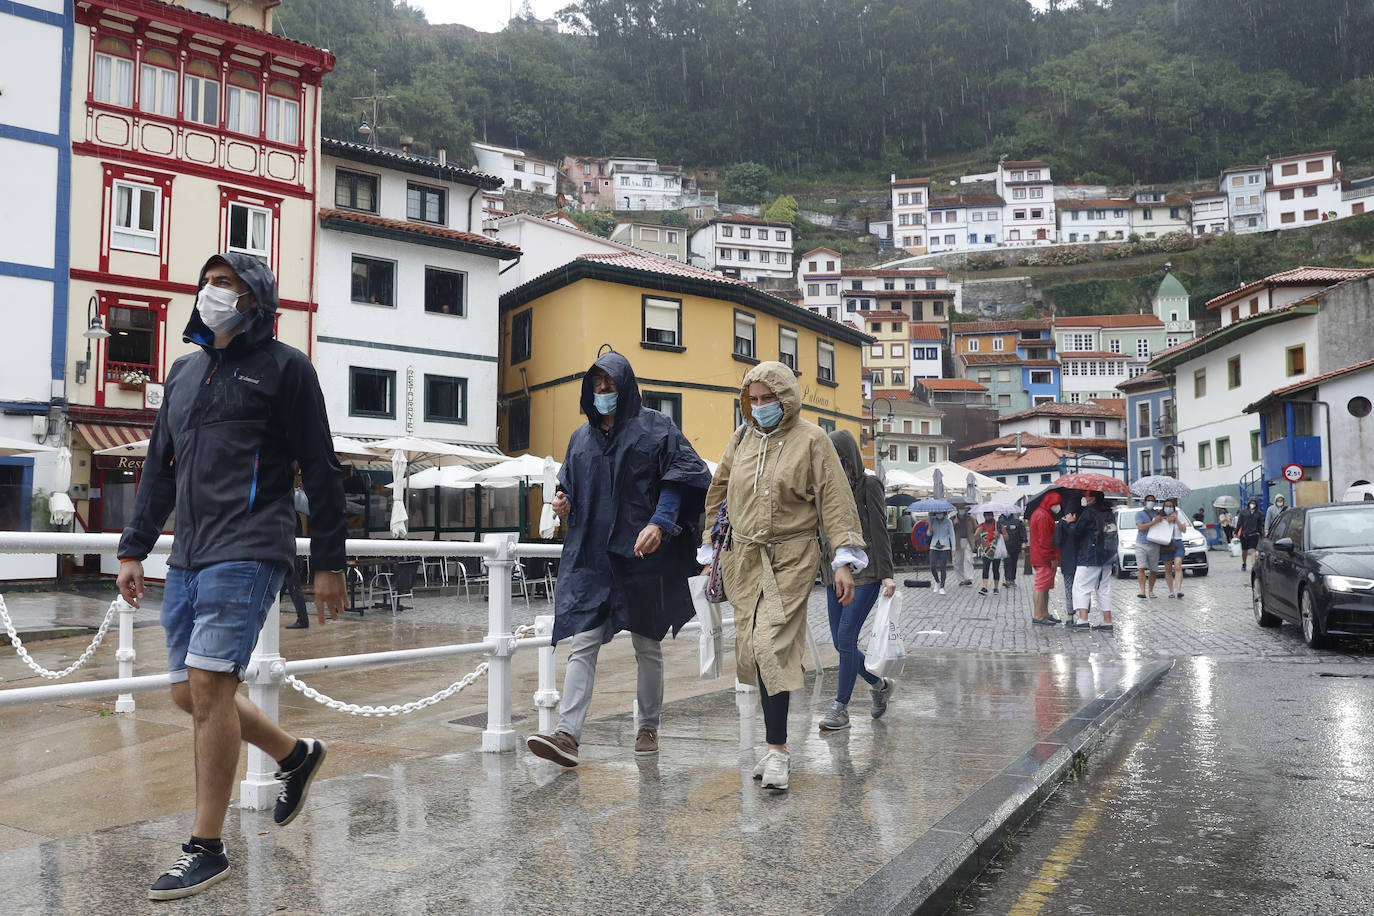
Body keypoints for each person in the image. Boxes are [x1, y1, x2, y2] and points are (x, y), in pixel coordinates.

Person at [116, 253, 347, 901]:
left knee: (211, 688)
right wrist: (134, 549)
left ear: (256, 300)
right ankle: (296, 755)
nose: (212, 292)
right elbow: (159, 469)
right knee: (187, 694)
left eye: (228, 284)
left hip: (249, 546)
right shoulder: (183, 374)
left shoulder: (286, 368)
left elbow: (320, 466)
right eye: (209, 282)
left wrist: (329, 560)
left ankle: (206, 847)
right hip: (188, 554)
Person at [527, 352, 711, 769]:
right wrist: (564, 503)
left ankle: (648, 727)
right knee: (583, 641)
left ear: (625, 386)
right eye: (597, 386)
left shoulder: (657, 428)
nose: (603, 391)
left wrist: (660, 523)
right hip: (594, 559)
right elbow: (570, 488)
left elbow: (680, 478)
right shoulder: (580, 439)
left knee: (647, 645)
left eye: (609, 385)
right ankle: (567, 735)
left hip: (642, 556)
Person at [702, 362, 867, 791]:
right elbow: (718, 490)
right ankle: (773, 744)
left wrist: (843, 560)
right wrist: (711, 545)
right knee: (752, 651)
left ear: (786, 398)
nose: (760, 407)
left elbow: (835, 499)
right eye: (753, 400)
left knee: (770, 645)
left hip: (792, 558)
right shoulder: (741, 439)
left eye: (767, 399)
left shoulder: (812, 440)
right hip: (744, 559)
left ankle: (778, 751)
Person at [817, 430, 896, 732]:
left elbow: (879, 529)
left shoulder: (869, 485)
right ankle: (880, 685)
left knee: (847, 638)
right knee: (840, 643)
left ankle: (841, 707)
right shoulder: (826, 488)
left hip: (866, 572)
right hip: (833, 573)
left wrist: (887, 574)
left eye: (837, 457)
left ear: (848, 456)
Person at [1066, 490, 1117, 630]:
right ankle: (1107, 620)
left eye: (1087, 496)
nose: (1085, 498)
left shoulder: (1089, 513)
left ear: (1093, 499)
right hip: (1107, 556)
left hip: (1089, 555)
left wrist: (1071, 523)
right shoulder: (1109, 513)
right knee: (1103, 588)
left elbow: (1077, 532)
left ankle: (1083, 619)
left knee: (1081, 587)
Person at [1028, 492, 1063, 625]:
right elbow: (1045, 540)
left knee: (1044, 586)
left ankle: (1044, 613)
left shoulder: (1042, 513)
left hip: (1041, 556)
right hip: (1043, 557)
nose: (1058, 506)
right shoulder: (1043, 516)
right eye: (1056, 503)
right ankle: (1038, 615)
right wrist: (1051, 557)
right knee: (1041, 586)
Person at [1133, 496, 1162, 599]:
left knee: (1153, 569)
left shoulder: (1158, 513)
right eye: (1149, 500)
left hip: (1154, 543)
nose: (1151, 502)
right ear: (1144, 502)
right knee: (1141, 567)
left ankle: (1150, 590)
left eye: (1153, 501)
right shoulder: (1139, 514)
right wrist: (1154, 522)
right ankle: (1142, 591)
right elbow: (1141, 527)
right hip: (1141, 543)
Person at [1159, 497, 1189, 599]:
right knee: (1168, 568)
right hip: (1166, 544)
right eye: (1166, 506)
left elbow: (1184, 530)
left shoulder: (1178, 515)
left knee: (1177, 566)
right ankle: (1171, 591)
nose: (1168, 508)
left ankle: (1179, 590)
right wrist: (1165, 519)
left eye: (1170, 506)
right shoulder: (1160, 517)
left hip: (1177, 542)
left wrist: (1176, 519)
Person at [927, 510, 955, 595]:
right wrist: (930, 529)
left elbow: (952, 535)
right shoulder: (932, 520)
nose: (939, 514)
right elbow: (928, 534)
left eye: (941, 512)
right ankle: (937, 581)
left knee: (943, 567)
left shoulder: (948, 522)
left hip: (945, 545)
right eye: (937, 512)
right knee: (932, 566)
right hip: (934, 545)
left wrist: (953, 548)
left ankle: (942, 587)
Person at [974, 510, 1001, 595]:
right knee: (985, 568)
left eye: (989, 516)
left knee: (995, 569)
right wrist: (978, 533)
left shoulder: (998, 525)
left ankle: (996, 587)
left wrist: (999, 535)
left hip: (996, 551)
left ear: (992, 516)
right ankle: (984, 587)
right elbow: (976, 537)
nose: (988, 517)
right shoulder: (981, 526)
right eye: (986, 516)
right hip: (985, 551)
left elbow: (1007, 537)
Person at [952, 503, 976, 587]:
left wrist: (976, 542)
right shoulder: (953, 519)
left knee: (968, 559)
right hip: (957, 542)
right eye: (960, 508)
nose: (962, 510)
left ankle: (969, 578)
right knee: (957, 561)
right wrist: (954, 524)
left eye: (963, 508)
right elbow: (949, 531)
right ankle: (961, 579)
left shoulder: (971, 519)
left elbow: (976, 530)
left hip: (969, 541)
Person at [999, 512, 1026, 588]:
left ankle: (1012, 579)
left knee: (1013, 563)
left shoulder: (1017, 521)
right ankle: (1007, 579)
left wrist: (1024, 542)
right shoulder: (1000, 521)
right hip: (1005, 546)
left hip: (1015, 545)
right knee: (1007, 562)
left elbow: (1022, 532)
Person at [1237, 497, 1264, 571]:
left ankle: (1253, 565)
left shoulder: (1258, 514)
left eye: (1254, 503)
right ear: (1248, 503)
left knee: (1253, 550)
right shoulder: (1243, 512)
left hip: (1254, 534)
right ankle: (1244, 563)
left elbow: (1259, 525)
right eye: (1251, 503)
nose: (1252, 504)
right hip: (1244, 534)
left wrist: (1261, 534)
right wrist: (1236, 532)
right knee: (1244, 550)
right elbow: (1239, 523)